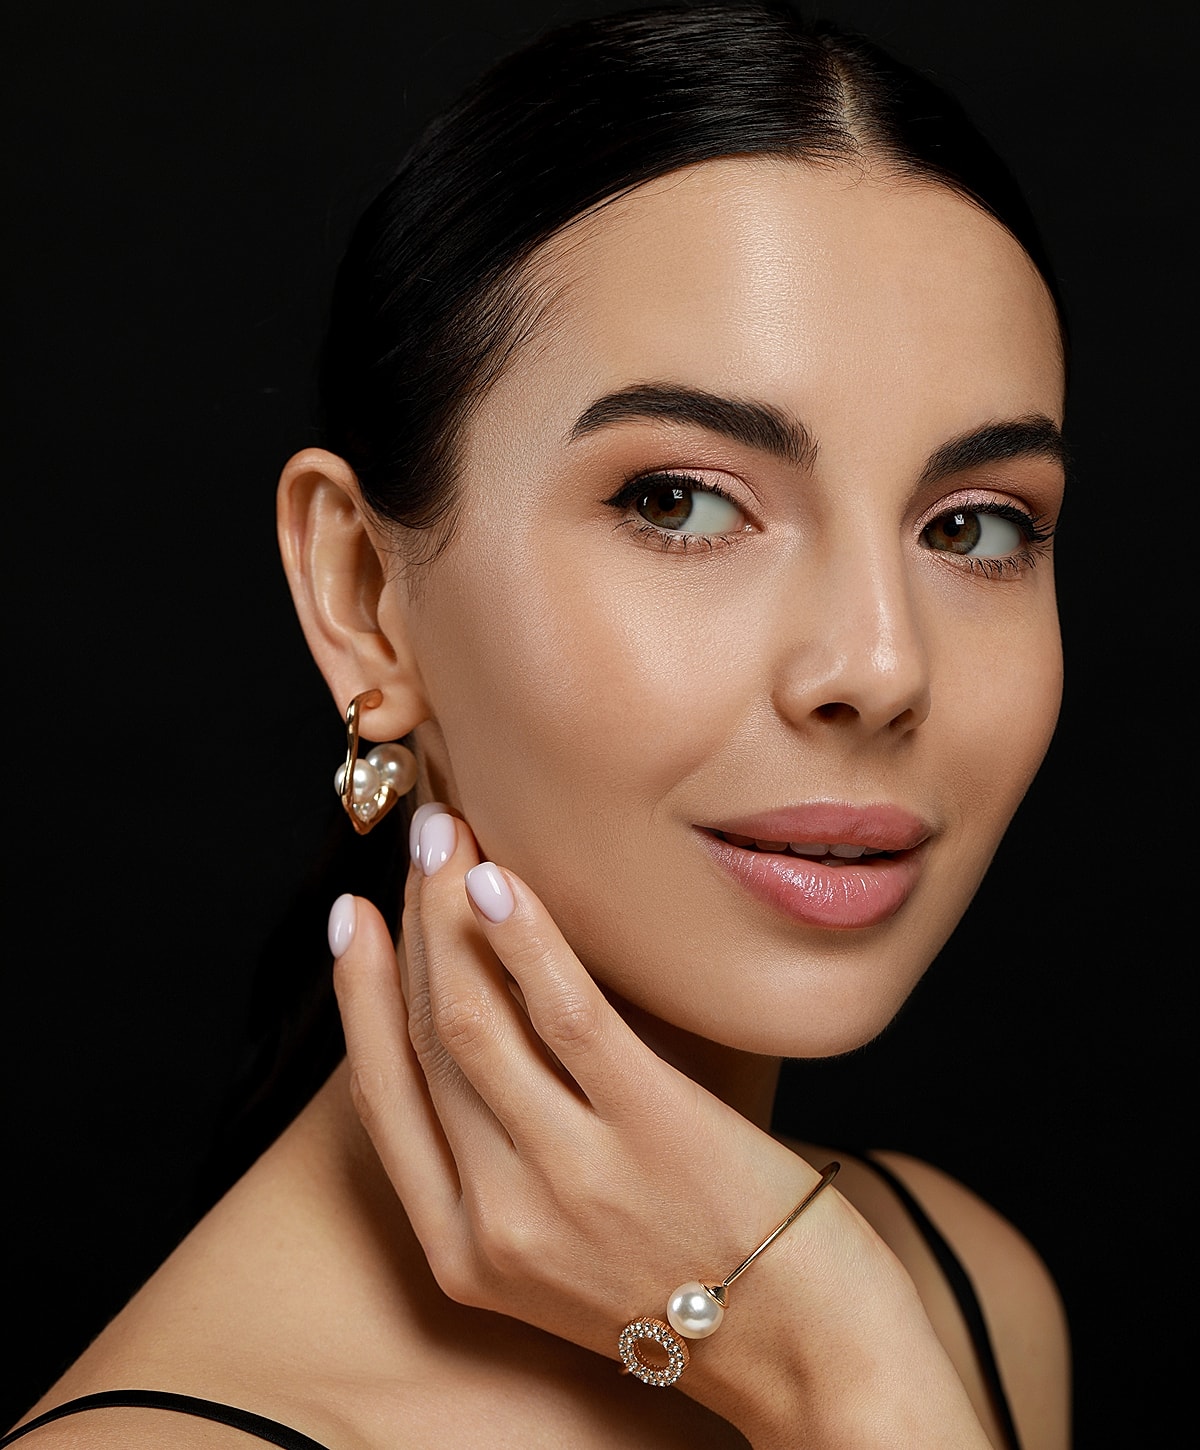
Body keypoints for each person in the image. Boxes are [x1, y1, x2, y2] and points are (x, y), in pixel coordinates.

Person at [3, 3, 1072, 1446]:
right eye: (681, 501)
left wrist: (841, 1353)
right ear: (366, 595)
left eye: (977, 523)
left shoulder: (954, 1290)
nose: (879, 666)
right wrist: (835, 1366)